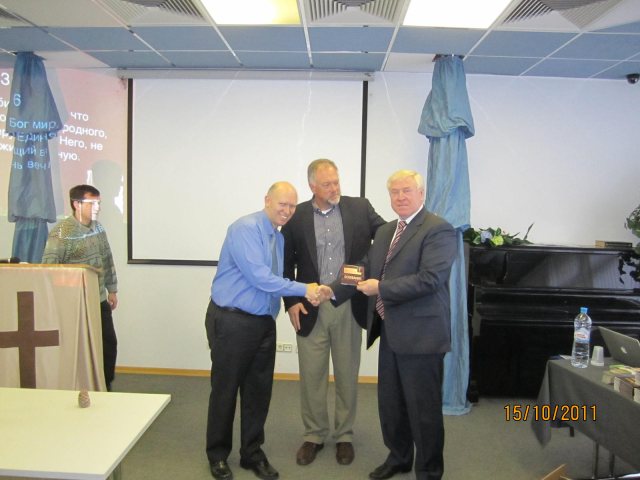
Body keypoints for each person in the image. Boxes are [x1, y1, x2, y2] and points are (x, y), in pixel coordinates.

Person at [328, 170, 456, 480]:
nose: (400, 197)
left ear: (421, 194)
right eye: (394, 192)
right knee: (392, 403)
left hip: (422, 337)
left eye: (406, 191)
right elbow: (362, 268)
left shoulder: (439, 230)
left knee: (423, 410)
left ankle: (429, 471)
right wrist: (331, 289)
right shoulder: (386, 231)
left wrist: (380, 289)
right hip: (390, 331)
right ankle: (398, 458)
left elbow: (430, 280)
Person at [205, 181, 321, 480]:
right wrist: (305, 289)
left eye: (292, 206)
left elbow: (276, 278)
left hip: (262, 324)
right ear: (267, 200)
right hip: (232, 322)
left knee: (259, 394)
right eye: (282, 203)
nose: (287, 210)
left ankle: (251, 454)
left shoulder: (278, 238)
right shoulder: (246, 228)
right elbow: (260, 277)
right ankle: (217, 456)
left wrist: (292, 301)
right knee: (225, 391)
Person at [282, 159, 385, 466]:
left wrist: (359, 271)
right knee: (311, 375)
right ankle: (314, 435)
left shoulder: (359, 207)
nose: (334, 189)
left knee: (346, 374)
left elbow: (386, 237)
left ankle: (344, 436)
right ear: (312, 186)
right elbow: (286, 263)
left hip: (347, 303)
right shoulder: (296, 215)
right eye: (327, 184)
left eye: (337, 182)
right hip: (310, 305)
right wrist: (290, 302)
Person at [42, 184, 118, 391]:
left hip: (99, 298)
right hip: (74, 303)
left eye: (98, 203)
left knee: (108, 345)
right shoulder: (61, 232)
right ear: (76, 204)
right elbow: (49, 268)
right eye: (91, 203)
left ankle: (105, 385)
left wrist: (112, 288)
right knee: (79, 348)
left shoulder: (98, 227)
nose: (97, 207)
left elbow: (107, 258)